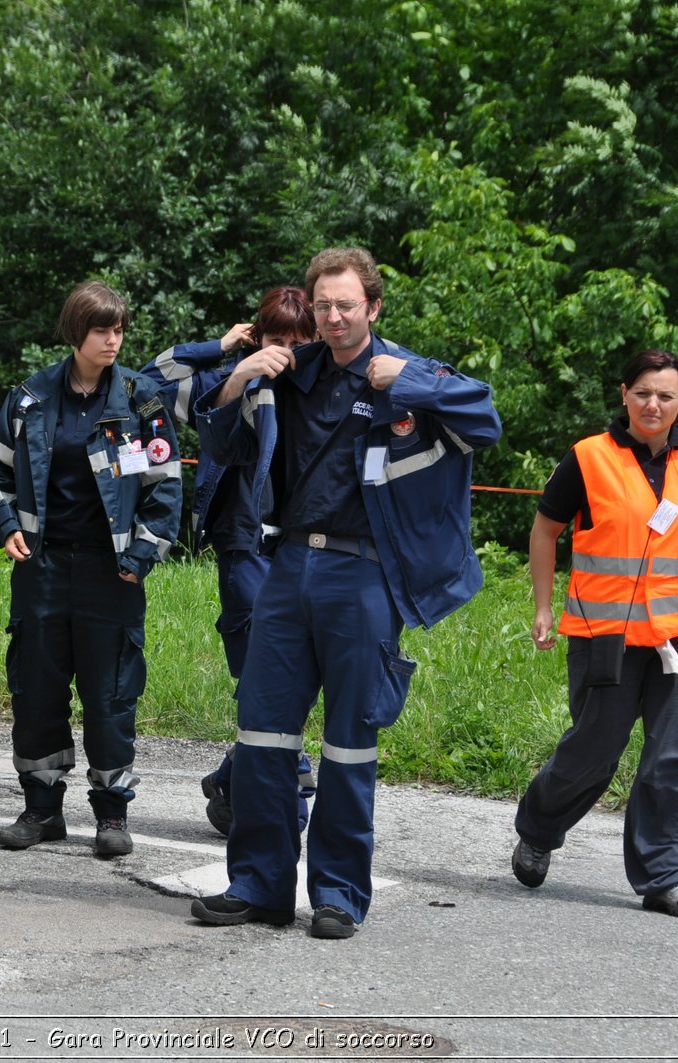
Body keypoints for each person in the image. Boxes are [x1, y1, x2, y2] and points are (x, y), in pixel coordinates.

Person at [189, 247, 501, 939]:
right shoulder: (286, 375)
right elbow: (217, 440)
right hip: (288, 565)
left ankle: (336, 892)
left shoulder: (406, 373)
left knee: (349, 741)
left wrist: (415, 382)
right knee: (263, 731)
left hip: (365, 574)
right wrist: (237, 378)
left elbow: (486, 420)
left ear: (373, 307)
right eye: (323, 305)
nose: (333, 316)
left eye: (346, 305)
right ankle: (259, 886)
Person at [512, 349, 678, 919]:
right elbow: (545, 532)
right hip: (607, 634)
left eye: (665, 395)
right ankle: (540, 827)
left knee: (675, 757)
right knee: (593, 751)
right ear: (624, 394)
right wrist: (543, 607)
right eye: (643, 392)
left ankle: (664, 875)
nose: (653, 404)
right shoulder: (587, 458)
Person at [0, 280, 183, 857]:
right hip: (42, 570)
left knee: (110, 693)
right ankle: (41, 810)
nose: (113, 340)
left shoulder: (141, 402)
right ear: (76, 333)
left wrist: (141, 557)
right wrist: (7, 526)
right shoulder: (29, 398)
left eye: (119, 329)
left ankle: (112, 816)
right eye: (101, 330)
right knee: (36, 690)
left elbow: (164, 489)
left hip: (110, 574)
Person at [140, 287, 319, 836]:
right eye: (274, 339)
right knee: (260, 674)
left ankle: (231, 775)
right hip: (243, 546)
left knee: (294, 675)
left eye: (298, 341)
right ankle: (289, 792)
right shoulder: (229, 383)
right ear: (257, 339)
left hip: (300, 552)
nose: (285, 351)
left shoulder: (325, 390)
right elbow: (151, 382)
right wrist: (222, 352)